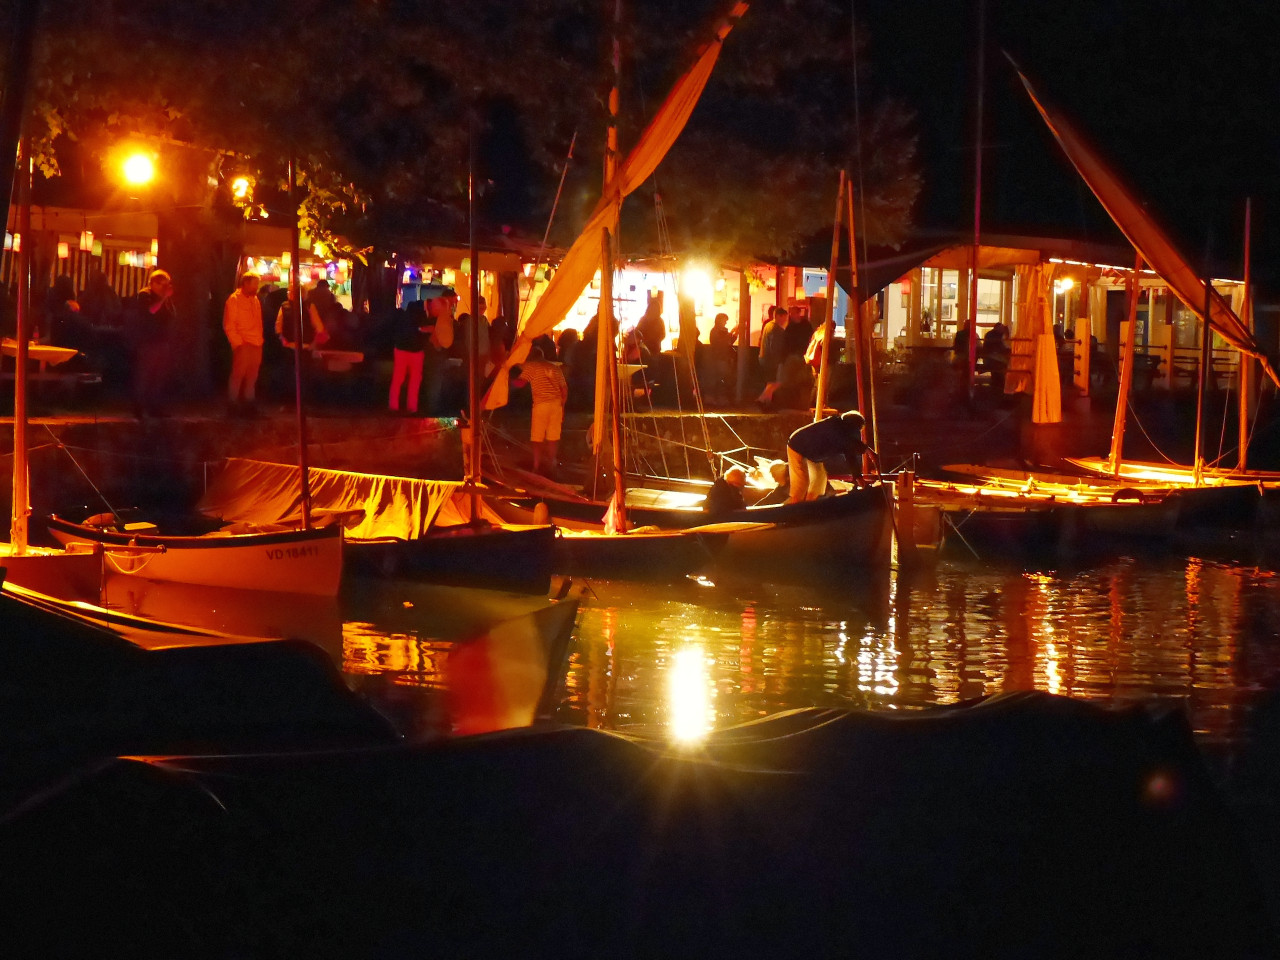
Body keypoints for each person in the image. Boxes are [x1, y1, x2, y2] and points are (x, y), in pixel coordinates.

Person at [785, 410, 867, 503]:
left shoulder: (843, 431)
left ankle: (809, 506)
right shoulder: (836, 428)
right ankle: (791, 511)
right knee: (801, 484)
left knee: (819, 481)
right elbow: (850, 448)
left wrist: (857, 476)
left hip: (812, 453)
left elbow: (850, 453)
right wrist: (859, 477)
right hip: (798, 446)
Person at [511, 346, 568, 478]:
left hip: (541, 404)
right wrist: (562, 407)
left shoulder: (532, 366)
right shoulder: (555, 368)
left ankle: (536, 466)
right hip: (556, 405)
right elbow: (564, 389)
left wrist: (506, 382)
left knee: (537, 437)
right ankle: (551, 464)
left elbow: (520, 383)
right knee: (553, 437)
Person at [130, 269, 176, 419]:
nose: (164, 288)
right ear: (153, 283)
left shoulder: (163, 297)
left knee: (158, 377)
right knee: (145, 376)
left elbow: (172, 315)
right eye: (162, 285)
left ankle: (155, 408)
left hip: (162, 341)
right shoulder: (145, 295)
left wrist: (166, 298)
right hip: (148, 341)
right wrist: (163, 299)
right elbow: (151, 311)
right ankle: (140, 409)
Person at [223, 272, 264, 416]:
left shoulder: (255, 300)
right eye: (255, 283)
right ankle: (232, 405)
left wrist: (259, 340)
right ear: (246, 283)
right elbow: (229, 324)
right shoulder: (234, 300)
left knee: (252, 376)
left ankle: (249, 405)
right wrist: (238, 344)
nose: (257, 287)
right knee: (238, 375)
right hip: (244, 342)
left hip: (256, 342)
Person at [388, 301, 429, 415]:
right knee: (414, 380)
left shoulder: (403, 319)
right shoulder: (421, 319)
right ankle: (412, 407)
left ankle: (393, 406)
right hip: (416, 351)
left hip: (401, 349)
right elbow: (421, 333)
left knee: (398, 378)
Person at [421, 289, 457, 415]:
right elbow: (437, 335)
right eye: (453, 301)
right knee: (435, 381)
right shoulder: (440, 316)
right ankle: (432, 410)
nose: (454, 304)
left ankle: (433, 408)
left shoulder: (441, 316)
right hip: (436, 353)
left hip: (437, 353)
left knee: (436, 381)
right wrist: (436, 341)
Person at [757, 305, 789, 404]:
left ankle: (766, 401)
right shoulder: (777, 329)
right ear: (779, 316)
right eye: (784, 317)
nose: (785, 320)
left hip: (763, 357)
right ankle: (762, 399)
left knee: (770, 381)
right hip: (772, 359)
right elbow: (775, 347)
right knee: (775, 382)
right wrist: (779, 361)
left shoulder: (768, 325)